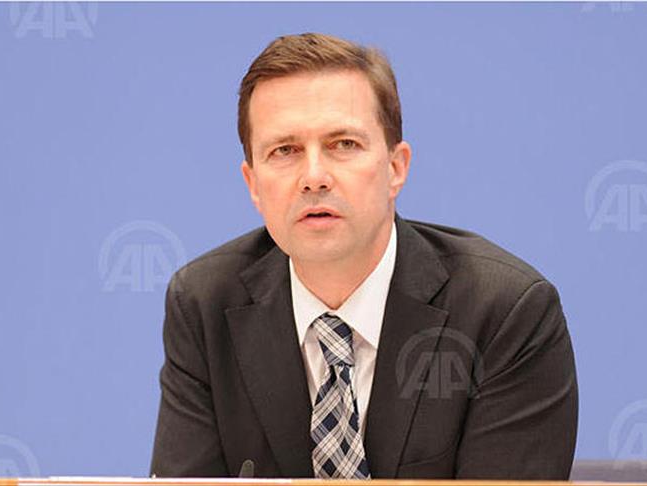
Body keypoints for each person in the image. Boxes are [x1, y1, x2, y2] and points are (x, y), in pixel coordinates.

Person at [150, 32, 578, 480]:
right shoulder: (204, 305)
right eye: (285, 151)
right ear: (253, 184)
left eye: (343, 144)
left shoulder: (504, 311)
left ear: (396, 168)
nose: (314, 177)